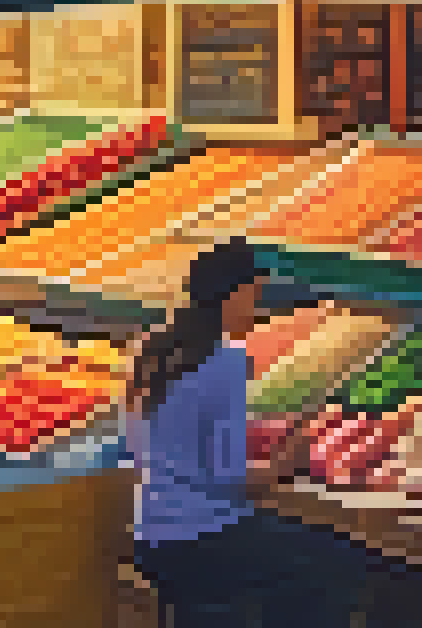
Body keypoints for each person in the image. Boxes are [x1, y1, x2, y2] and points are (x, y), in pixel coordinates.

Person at [124, 240, 373, 627]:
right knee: (321, 578)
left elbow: (145, 445)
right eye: (256, 298)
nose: (257, 312)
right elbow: (234, 483)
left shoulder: (150, 351)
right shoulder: (226, 362)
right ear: (234, 296)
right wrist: (289, 459)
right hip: (205, 538)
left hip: (152, 537)